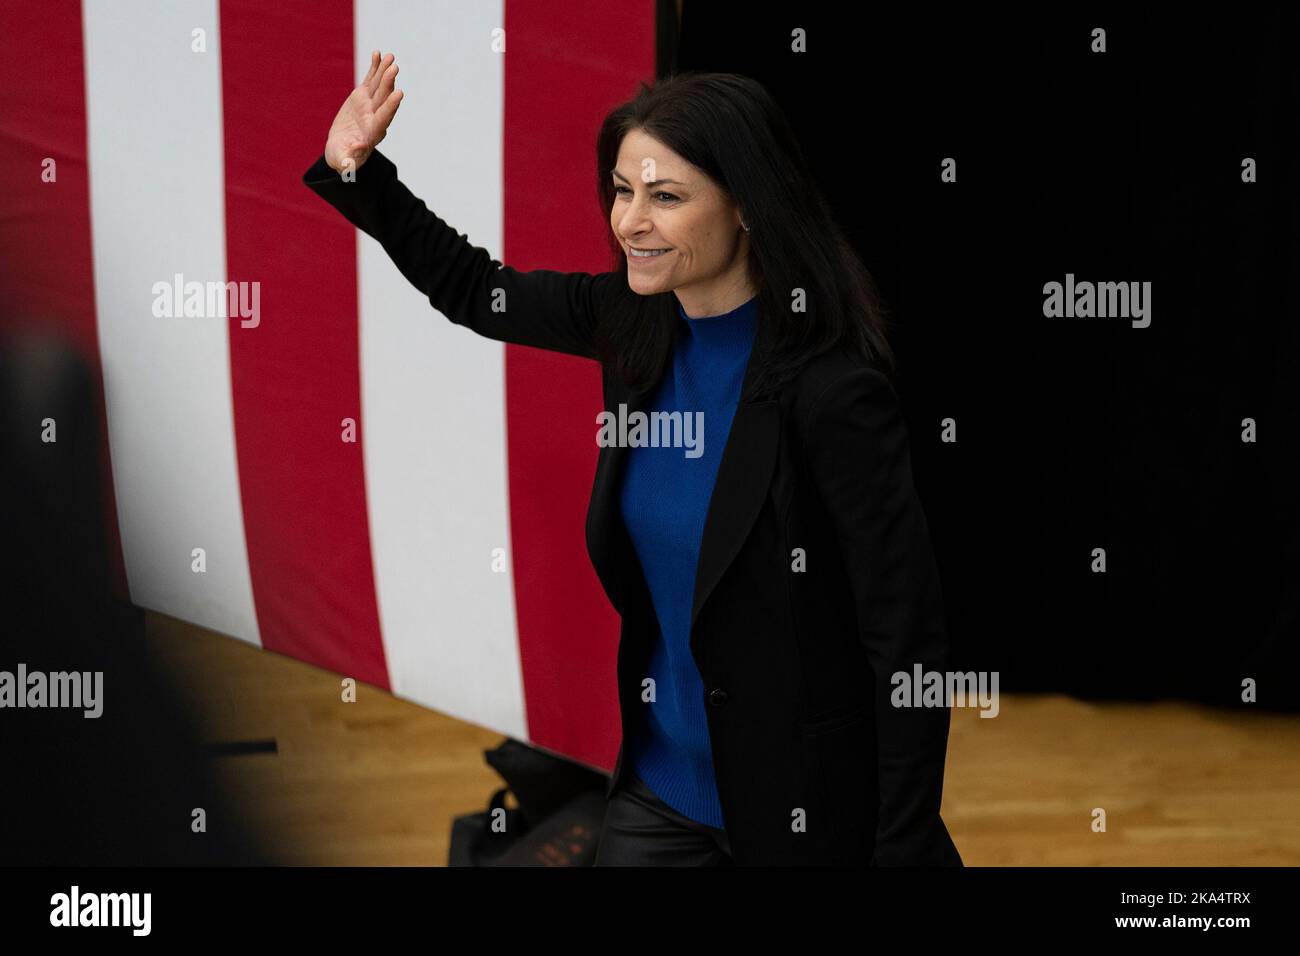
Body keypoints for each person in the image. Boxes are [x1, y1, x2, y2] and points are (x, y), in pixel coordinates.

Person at [303, 51, 962, 867]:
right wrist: (356, 170)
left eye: (665, 197)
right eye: (622, 189)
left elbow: (907, 643)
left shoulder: (834, 394)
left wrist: (898, 844)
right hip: (658, 801)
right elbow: (477, 289)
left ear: (750, 206)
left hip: (804, 817)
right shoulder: (632, 325)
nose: (629, 222)